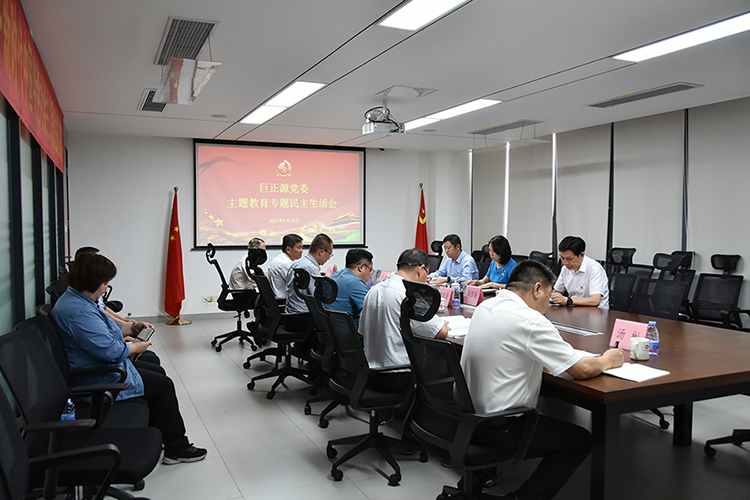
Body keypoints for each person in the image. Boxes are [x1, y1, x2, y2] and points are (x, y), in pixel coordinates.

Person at [460, 260, 623, 500]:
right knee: (580, 442)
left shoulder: (486, 306)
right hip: (502, 426)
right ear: (537, 289)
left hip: (468, 418)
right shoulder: (529, 320)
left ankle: (480, 476)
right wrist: (608, 359)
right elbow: (582, 369)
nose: (548, 304)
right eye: (548, 295)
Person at [52, 253, 207, 465]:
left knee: (157, 374)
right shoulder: (77, 311)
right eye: (105, 283)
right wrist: (135, 347)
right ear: (92, 282)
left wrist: (133, 328)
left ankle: (159, 434)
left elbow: (105, 330)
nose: (106, 288)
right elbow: (109, 351)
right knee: (163, 386)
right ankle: (177, 447)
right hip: (96, 376)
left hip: (97, 367)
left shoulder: (79, 300)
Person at [360, 248, 450, 378]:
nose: (426, 279)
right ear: (420, 269)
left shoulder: (374, 290)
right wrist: (442, 323)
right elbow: (441, 332)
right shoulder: (408, 296)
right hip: (399, 374)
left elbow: (362, 330)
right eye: (427, 273)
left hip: (370, 372)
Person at [284, 233, 334, 330]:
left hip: (290, 316)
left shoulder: (296, 264)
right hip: (303, 319)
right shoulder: (311, 269)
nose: (328, 258)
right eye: (329, 254)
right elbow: (318, 299)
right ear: (321, 252)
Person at [550, 236, 609, 309]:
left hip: (596, 311)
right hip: (573, 309)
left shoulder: (594, 269)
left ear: (581, 255)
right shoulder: (565, 269)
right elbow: (557, 291)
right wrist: (554, 296)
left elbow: (595, 301)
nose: (565, 262)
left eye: (569, 259)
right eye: (562, 258)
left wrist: (567, 300)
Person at [328, 249, 373, 330]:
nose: (369, 275)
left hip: (332, 330)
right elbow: (371, 312)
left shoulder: (335, 275)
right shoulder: (355, 283)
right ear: (361, 267)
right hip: (349, 332)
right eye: (370, 270)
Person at [267, 233, 304, 299]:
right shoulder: (286, 264)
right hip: (283, 300)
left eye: (302, 248)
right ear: (288, 249)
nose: (301, 251)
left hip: (276, 299)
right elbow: (300, 285)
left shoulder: (279, 259)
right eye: (299, 248)